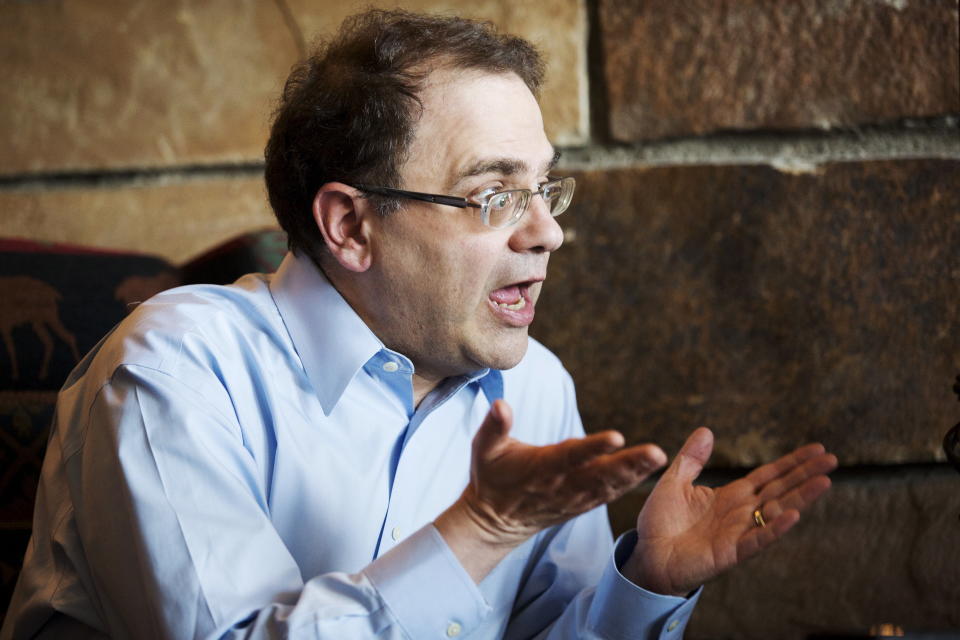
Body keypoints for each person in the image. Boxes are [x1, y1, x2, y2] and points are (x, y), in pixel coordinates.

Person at [1, 10, 837, 640]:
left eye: (545, 189)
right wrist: (478, 532)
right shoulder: (173, 367)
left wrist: (646, 581)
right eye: (493, 194)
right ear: (351, 228)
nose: (546, 230)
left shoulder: (535, 385)